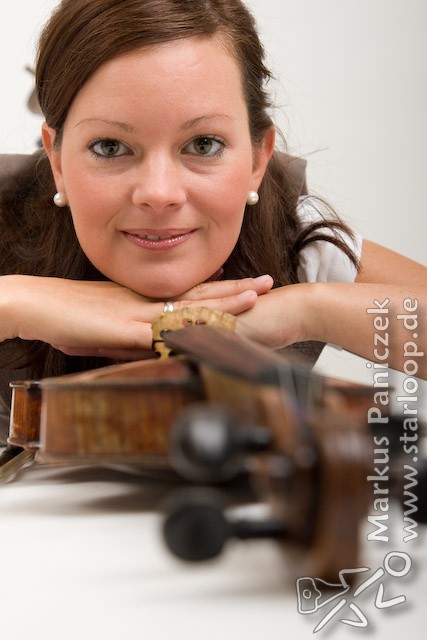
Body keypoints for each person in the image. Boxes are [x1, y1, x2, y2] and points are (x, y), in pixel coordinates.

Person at [0, 0, 425, 446]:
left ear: (258, 159)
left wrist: (308, 310)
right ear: (57, 163)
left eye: (203, 144)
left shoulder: (293, 235)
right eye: (110, 147)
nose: (159, 193)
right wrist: (13, 302)